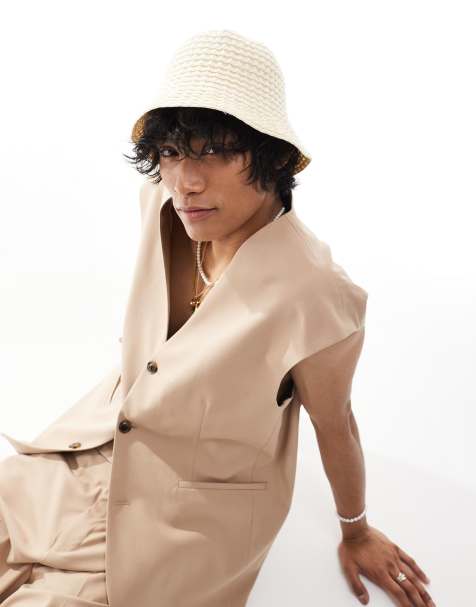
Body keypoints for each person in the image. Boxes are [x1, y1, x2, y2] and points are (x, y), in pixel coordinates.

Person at [0, 29, 435, 607]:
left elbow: (336, 423)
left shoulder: (316, 293)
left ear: (273, 156)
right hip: (78, 464)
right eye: (172, 152)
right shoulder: (161, 202)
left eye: (215, 152)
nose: (187, 181)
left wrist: (355, 531)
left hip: (173, 528)